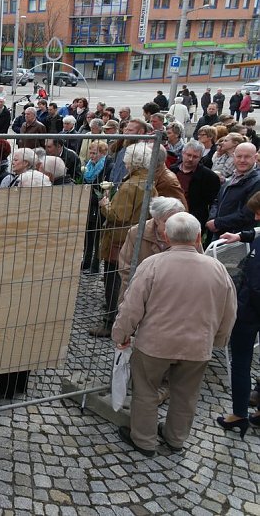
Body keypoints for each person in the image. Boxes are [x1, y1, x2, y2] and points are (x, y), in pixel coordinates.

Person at [112, 213, 236, 457]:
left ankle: (144, 441)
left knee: (146, 390)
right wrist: (219, 341)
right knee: (186, 394)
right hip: (197, 347)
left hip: (154, 344)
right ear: (199, 236)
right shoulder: (218, 268)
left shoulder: (153, 265)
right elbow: (229, 311)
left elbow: (131, 306)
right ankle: (175, 438)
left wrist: (121, 334)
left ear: (166, 236)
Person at [92, 143, 156, 337]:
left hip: (120, 239)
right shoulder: (148, 181)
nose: (125, 163)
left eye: (127, 160)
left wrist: (105, 204)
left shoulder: (130, 185)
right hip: (135, 237)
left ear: (133, 162)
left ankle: (110, 321)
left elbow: (118, 215)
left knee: (114, 281)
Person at [217, 192, 260, 437]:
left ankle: (239, 414)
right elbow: (257, 231)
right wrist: (241, 235)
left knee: (241, 363)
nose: (255, 218)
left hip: (249, 311)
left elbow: (255, 284)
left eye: (257, 213)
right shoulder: (257, 234)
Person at [207, 143, 260, 239]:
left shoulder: (257, 182)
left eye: (247, 157)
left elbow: (249, 213)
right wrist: (213, 219)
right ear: (233, 157)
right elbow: (217, 201)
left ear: (255, 157)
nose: (242, 160)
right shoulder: (231, 177)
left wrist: (218, 223)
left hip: (238, 238)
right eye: (239, 156)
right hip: (219, 233)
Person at [172, 140, 221, 229]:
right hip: (171, 214)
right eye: (188, 155)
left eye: (195, 157)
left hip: (193, 219)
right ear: (183, 153)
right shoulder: (172, 171)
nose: (190, 159)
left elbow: (213, 201)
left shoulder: (209, 177)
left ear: (200, 158)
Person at [81, 140, 113, 273]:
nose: (91, 156)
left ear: (103, 153)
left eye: (95, 153)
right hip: (88, 205)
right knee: (87, 235)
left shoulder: (108, 166)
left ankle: (95, 264)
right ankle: (86, 261)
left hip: (100, 206)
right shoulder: (88, 165)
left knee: (98, 237)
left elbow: (108, 189)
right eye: (90, 152)